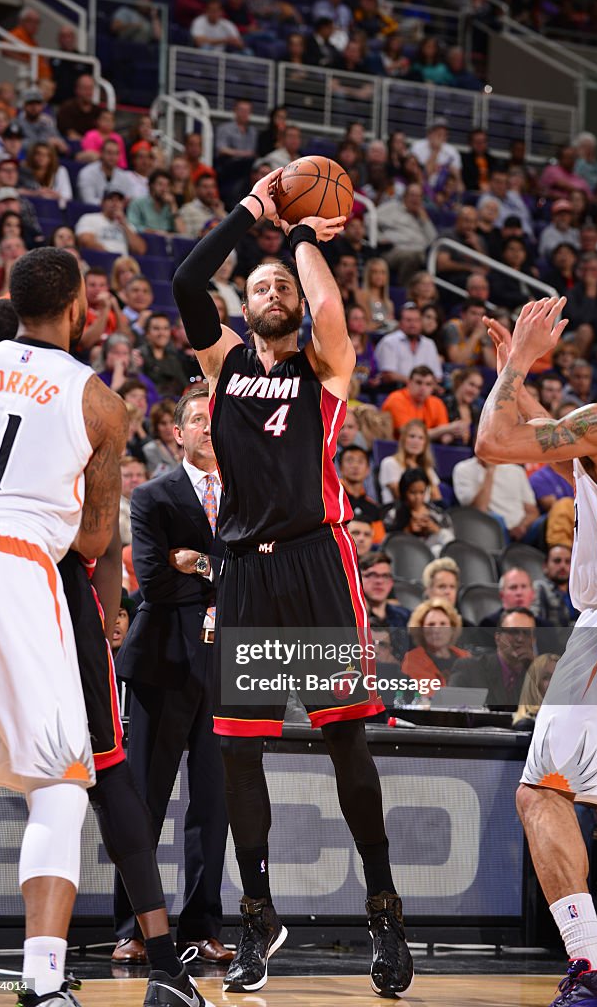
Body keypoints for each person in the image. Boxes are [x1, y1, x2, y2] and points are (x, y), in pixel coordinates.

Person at [172, 166, 413, 998]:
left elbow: (332, 313)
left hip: (317, 563)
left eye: (283, 286)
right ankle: (256, 914)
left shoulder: (324, 366)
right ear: (243, 308)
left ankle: (383, 907)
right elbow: (183, 278)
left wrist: (306, 239)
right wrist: (254, 215)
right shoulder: (224, 363)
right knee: (240, 755)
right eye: (259, 285)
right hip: (244, 573)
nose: (273, 290)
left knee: (347, 736)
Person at [0, 299, 213, 1007]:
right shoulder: (72, 404)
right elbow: (96, 544)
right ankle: (157, 962)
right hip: (51, 592)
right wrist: (106, 615)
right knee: (97, 778)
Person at [0, 248, 126, 1004]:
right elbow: (93, 538)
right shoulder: (98, 401)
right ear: (79, 304)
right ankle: (44, 979)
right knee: (59, 784)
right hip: (15, 567)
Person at [476, 293, 597, 1004]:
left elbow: (492, 446)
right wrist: (517, 381)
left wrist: (517, 359)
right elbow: (548, 432)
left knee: (542, 792)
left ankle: (591, 967)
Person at [114, 388, 233, 966]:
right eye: (197, 421)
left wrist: (200, 561)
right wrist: (220, 573)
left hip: (225, 666)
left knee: (213, 805)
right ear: (176, 434)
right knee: (145, 802)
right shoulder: (151, 494)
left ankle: (200, 927)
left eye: (216, 422)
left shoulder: (250, 495)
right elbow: (156, 583)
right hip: (162, 664)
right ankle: (134, 928)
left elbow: (255, 578)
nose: (208, 430)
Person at [448, 608, 537, 709]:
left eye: (526, 633)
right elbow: (450, 714)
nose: (520, 639)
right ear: (498, 637)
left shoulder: (541, 675)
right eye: (513, 631)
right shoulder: (468, 669)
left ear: (533, 640)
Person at [452, 453, 538, 541]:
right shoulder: (463, 469)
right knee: (497, 520)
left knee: (547, 519)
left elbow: (532, 511)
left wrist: (522, 526)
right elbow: (479, 509)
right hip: (491, 528)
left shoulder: (517, 470)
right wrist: (490, 470)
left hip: (523, 528)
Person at [402, 598, 469, 689]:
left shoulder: (465, 656)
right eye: (431, 624)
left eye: (443, 624)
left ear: (452, 628)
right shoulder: (412, 660)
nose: (437, 630)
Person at [374, 301, 442, 384]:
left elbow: (437, 376)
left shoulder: (429, 344)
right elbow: (388, 375)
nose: (413, 324)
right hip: (396, 390)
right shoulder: (389, 342)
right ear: (400, 322)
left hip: (426, 392)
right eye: (408, 320)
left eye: (416, 320)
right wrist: (416, 383)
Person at [379, 418, 441, 505]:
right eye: (412, 436)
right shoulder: (390, 463)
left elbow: (437, 499)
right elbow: (402, 497)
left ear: (425, 443)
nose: (416, 442)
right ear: (403, 439)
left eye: (421, 438)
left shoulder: (427, 468)